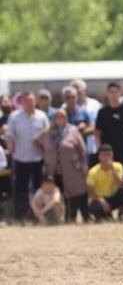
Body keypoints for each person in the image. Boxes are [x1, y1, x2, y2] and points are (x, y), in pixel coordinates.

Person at [33, 109, 89, 223]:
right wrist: (45, 155)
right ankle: (56, 218)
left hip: (71, 168)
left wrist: (83, 165)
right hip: (53, 170)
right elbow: (35, 141)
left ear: (66, 118)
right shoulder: (48, 132)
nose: (60, 119)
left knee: (72, 193)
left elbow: (82, 150)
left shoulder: (73, 131)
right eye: (57, 117)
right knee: (56, 193)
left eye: (62, 116)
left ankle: (71, 217)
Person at [6, 91, 50, 222]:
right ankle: (20, 216)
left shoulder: (42, 116)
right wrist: (9, 141)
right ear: (22, 102)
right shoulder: (14, 117)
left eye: (31, 100)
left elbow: (47, 134)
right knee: (20, 189)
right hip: (21, 158)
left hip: (38, 159)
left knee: (38, 188)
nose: (29, 102)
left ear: (34, 101)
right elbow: (10, 133)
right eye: (26, 100)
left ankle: (38, 216)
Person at [86, 144, 123, 222]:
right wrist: (101, 201)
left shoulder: (118, 166)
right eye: (104, 155)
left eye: (109, 155)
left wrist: (112, 168)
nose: (106, 158)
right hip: (98, 199)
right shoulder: (93, 171)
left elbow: (120, 184)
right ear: (99, 157)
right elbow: (91, 193)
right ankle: (105, 217)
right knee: (95, 207)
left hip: (111, 197)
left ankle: (122, 215)